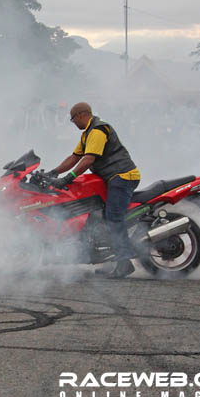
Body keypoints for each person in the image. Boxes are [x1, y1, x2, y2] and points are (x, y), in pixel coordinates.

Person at [47, 102, 140, 278]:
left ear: (82, 115)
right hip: (111, 178)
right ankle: (107, 255)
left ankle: (124, 262)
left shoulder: (97, 131)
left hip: (122, 177)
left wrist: (67, 178)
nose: (73, 123)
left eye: (73, 119)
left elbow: (88, 160)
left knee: (113, 217)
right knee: (98, 216)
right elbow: (74, 157)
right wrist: (54, 172)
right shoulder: (87, 134)